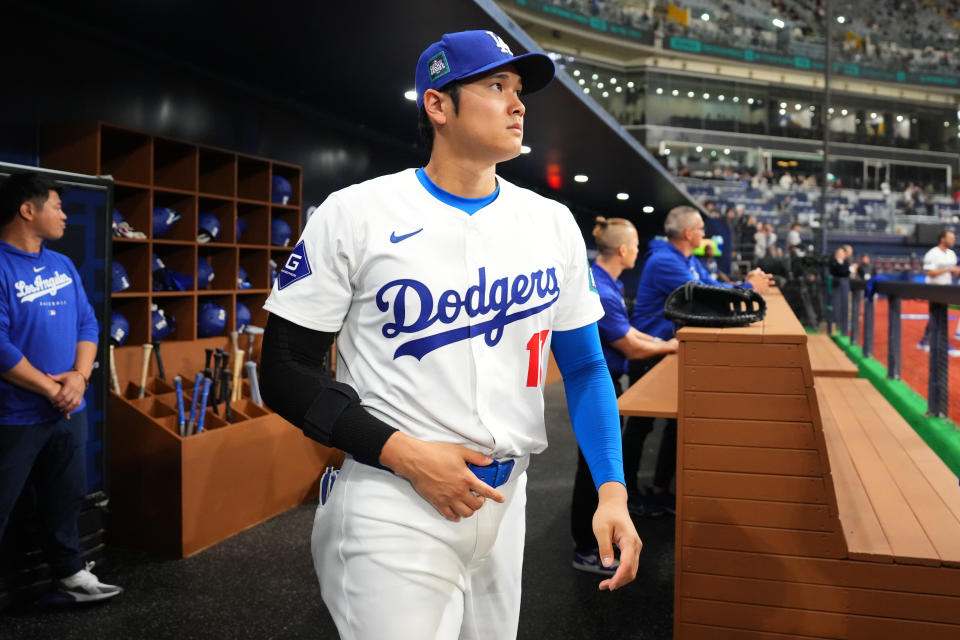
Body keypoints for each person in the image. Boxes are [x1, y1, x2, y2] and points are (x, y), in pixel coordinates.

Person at [258, 30, 641, 640]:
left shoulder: (550, 222)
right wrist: (401, 453)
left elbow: (589, 368)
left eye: (519, 90)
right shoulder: (355, 213)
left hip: (506, 499)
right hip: (393, 500)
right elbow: (282, 368)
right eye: (496, 86)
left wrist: (613, 490)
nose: (518, 104)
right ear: (438, 105)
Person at [0, 172, 122, 603]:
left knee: (65, 497)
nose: (65, 216)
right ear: (27, 210)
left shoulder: (62, 264)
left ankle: (71, 573)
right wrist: (52, 389)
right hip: (15, 415)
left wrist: (79, 377)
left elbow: (88, 323)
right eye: (57, 206)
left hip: (67, 410)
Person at [627, 206, 771, 513]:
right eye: (702, 229)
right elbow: (709, 297)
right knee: (640, 427)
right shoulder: (665, 260)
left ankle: (658, 489)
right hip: (652, 351)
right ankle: (628, 497)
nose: (706, 234)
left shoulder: (687, 259)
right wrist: (749, 288)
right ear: (689, 233)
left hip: (671, 351)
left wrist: (746, 287)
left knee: (672, 424)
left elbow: (713, 287)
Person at [570, 217, 677, 574]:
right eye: (634, 245)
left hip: (607, 383)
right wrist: (668, 347)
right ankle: (586, 548)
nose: (638, 251)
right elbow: (629, 346)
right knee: (592, 469)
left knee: (596, 466)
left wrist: (666, 344)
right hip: (595, 387)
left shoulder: (607, 282)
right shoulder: (598, 286)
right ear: (622, 250)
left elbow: (629, 331)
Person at [917, 229, 960, 355]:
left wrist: (955, 271)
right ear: (942, 239)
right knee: (939, 315)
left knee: (936, 315)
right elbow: (929, 272)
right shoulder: (932, 253)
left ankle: (924, 340)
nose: (953, 240)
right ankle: (943, 343)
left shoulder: (952, 254)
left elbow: (952, 272)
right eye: (951, 237)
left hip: (946, 288)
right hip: (933, 288)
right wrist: (949, 269)